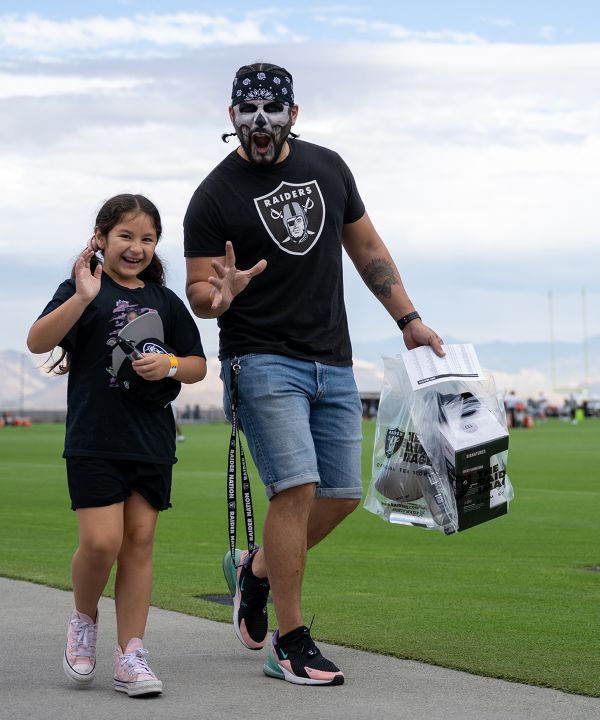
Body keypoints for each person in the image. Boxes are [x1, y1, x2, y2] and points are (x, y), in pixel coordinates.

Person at [183, 63, 445, 687]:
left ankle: (257, 570)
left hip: (332, 360)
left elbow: (369, 252)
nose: (260, 121)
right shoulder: (213, 195)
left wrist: (408, 318)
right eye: (248, 110)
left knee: (343, 495)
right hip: (261, 359)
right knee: (295, 490)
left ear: (293, 115)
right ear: (232, 118)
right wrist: (221, 293)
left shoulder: (329, 168)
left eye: (272, 108)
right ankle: (289, 640)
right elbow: (199, 292)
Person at [27, 194, 207, 697]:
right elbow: (38, 341)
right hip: (94, 439)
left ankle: (132, 655)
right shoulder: (79, 289)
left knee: (140, 543)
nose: (136, 247)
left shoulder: (165, 302)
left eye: (147, 239)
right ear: (101, 238)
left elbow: (196, 364)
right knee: (102, 542)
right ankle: (84, 621)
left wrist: (168, 364)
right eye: (126, 236)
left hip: (150, 441)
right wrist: (82, 296)